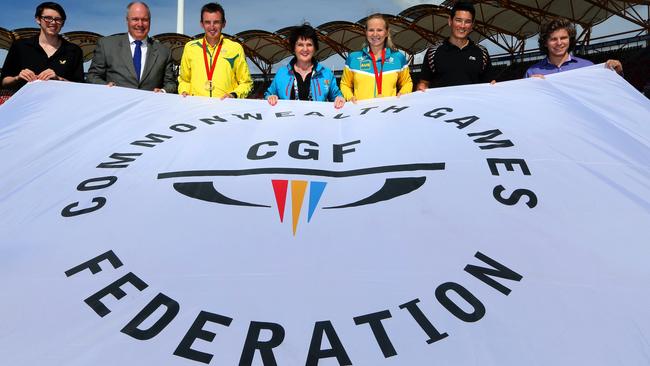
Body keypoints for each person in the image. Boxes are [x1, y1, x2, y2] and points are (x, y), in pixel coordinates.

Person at [86, 1, 176, 93]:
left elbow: (171, 83)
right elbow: (92, 76)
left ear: (150, 21)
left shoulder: (164, 52)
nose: (140, 24)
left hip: (149, 106)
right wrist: (105, 86)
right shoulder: (107, 45)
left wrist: (163, 91)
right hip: (116, 103)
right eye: (135, 19)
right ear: (127, 21)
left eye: (144, 20)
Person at [1, 2, 83, 90]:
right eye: (48, 18)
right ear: (38, 19)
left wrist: (59, 79)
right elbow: (3, 82)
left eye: (58, 19)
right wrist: (17, 78)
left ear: (63, 23)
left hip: (59, 102)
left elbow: (80, 86)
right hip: (26, 102)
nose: (53, 22)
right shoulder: (20, 46)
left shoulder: (74, 50)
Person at [177, 2, 252, 99]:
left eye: (216, 22)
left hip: (225, 109)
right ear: (202, 24)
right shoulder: (190, 47)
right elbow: (184, 80)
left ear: (223, 24)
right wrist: (184, 91)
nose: (212, 27)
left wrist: (234, 95)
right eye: (207, 22)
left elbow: (246, 83)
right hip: (197, 109)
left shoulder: (235, 48)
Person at [265, 24, 344, 108]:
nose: (305, 49)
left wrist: (339, 98)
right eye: (300, 45)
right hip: (288, 120)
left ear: (315, 48)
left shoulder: (326, 74)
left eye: (309, 45)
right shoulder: (282, 73)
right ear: (294, 48)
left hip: (317, 120)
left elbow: (336, 96)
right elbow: (269, 94)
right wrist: (270, 97)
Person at [417, 1, 491, 90]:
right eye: (458, 20)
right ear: (450, 21)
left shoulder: (482, 53)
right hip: (443, 104)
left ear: (472, 25)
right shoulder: (433, 52)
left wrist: (493, 85)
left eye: (467, 22)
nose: (462, 26)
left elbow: (489, 86)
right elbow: (423, 84)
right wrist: (421, 88)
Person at [340, 14, 412, 102]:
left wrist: (403, 93)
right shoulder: (353, 58)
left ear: (386, 32)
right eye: (371, 30)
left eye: (379, 30)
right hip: (361, 112)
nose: (375, 34)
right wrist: (350, 97)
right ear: (365, 32)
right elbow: (345, 84)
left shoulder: (398, 57)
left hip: (388, 112)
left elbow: (407, 83)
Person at [525, 17, 623, 78]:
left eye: (563, 38)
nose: (559, 43)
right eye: (553, 39)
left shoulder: (588, 66)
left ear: (570, 40)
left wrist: (617, 73)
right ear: (545, 43)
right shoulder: (532, 72)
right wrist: (531, 86)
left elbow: (606, 91)